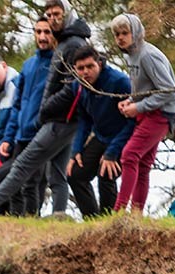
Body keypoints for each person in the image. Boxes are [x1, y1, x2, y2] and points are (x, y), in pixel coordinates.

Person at [0, 0, 91, 217]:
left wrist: (46, 111)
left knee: (23, 170)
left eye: (56, 15)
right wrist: (10, 136)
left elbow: (73, 88)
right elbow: (19, 104)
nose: (51, 22)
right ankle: (45, 218)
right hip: (44, 124)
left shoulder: (72, 45)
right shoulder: (34, 62)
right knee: (48, 176)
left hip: (57, 122)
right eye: (48, 15)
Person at [110, 13, 175, 214]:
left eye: (125, 33)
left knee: (129, 155)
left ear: (136, 33)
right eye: (117, 34)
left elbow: (168, 91)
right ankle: (136, 214)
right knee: (142, 164)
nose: (120, 38)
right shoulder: (132, 55)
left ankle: (119, 212)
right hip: (150, 111)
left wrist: (138, 107)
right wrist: (131, 101)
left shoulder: (148, 55)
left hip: (161, 113)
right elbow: (145, 88)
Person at [66, 45, 135, 217]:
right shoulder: (78, 85)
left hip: (124, 137)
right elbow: (84, 119)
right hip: (101, 136)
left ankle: (108, 222)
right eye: (81, 68)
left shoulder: (119, 81)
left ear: (100, 64)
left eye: (90, 66)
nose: (85, 72)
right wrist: (76, 150)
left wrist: (113, 152)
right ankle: (92, 221)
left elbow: (133, 121)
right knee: (75, 174)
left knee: (106, 174)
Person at [0, 17, 57, 215]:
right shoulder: (28, 65)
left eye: (47, 32)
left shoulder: (58, 65)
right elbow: (17, 104)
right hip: (21, 135)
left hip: (42, 133)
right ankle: (17, 222)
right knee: (15, 182)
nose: (42, 37)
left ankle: (32, 219)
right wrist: (8, 137)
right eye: (38, 32)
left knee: (33, 182)